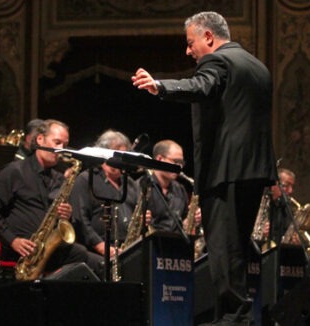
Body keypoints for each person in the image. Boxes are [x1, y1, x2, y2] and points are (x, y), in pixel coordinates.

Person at [132, 11, 277, 325]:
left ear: (208, 37)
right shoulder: (258, 66)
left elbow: (200, 86)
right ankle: (230, 315)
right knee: (236, 246)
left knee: (224, 248)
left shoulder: (218, 62)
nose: (188, 51)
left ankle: (235, 318)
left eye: (190, 42)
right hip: (254, 170)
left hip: (226, 170)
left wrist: (160, 86)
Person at [0, 119, 103, 277]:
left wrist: (66, 216)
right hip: (20, 250)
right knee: (81, 256)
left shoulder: (58, 178)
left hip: (47, 249)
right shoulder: (14, 172)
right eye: (57, 142)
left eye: (64, 145)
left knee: (97, 263)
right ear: (40, 139)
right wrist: (13, 240)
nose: (61, 150)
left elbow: (61, 221)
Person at [72, 129, 140, 258]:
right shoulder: (86, 179)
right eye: (117, 154)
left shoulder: (130, 183)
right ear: (103, 153)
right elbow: (80, 218)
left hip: (128, 248)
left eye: (124, 155)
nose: (121, 159)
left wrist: (142, 219)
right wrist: (100, 246)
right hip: (96, 250)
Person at [145, 139, 201, 234]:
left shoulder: (180, 189)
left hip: (176, 244)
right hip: (151, 245)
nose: (180, 167)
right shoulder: (141, 186)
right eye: (176, 161)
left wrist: (192, 220)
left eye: (181, 163)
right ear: (159, 159)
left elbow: (183, 225)